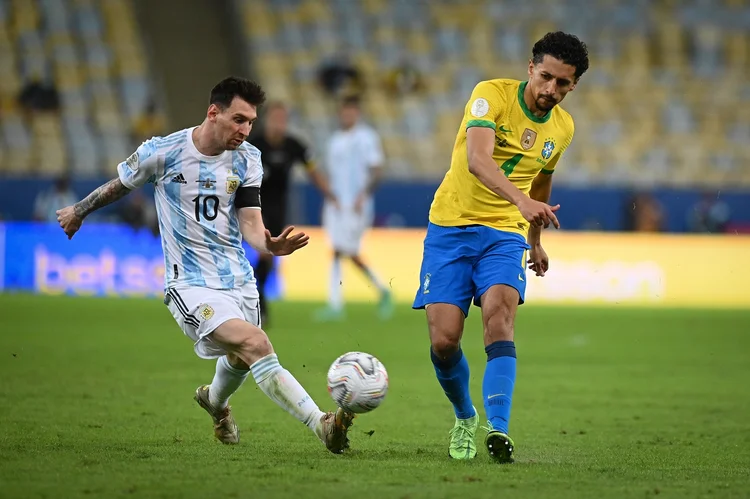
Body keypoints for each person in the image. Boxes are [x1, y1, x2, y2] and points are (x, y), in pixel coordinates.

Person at [55, 76, 355, 453]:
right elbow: (121, 183)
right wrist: (79, 211)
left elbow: (250, 221)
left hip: (238, 280)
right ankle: (322, 425)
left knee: (241, 358)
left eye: (250, 123)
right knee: (256, 343)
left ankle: (214, 402)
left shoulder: (248, 159)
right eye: (238, 120)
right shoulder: (163, 152)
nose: (245, 130)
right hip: (190, 284)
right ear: (214, 112)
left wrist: (269, 243)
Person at [412, 32, 589, 463]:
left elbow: (542, 181)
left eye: (562, 84)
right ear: (530, 69)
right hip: (450, 225)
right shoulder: (490, 94)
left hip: (505, 232)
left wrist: (536, 239)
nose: (551, 90)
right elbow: (477, 159)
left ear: (573, 85)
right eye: (546, 77)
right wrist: (523, 199)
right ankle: (465, 416)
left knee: (499, 317)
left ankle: (499, 429)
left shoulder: (563, 128)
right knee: (444, 342)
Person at [248, 101, 336, 326]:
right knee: (265, 253)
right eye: (276, 119)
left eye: (283, 119)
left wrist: (330, 195)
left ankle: (256, 297)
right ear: (267, 120)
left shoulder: (293, 145)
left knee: (269, 258)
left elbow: (312, 170)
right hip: (252, 206)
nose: (280, 124)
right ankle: (258, 301)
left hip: (278, 209)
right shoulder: (253, 144)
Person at [316, 95, 392, 322]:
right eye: (344, 111)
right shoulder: (334, 140)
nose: (347, 115)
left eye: (351, 111)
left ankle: (381, 289)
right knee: (338, 251)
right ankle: (336, 303)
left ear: (357, 113)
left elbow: (376, 169)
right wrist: (330, 195)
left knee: (347, 251)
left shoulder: (366, 137)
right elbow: (330, 173)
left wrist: (364, 195)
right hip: (336, 204)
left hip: (357, 204)